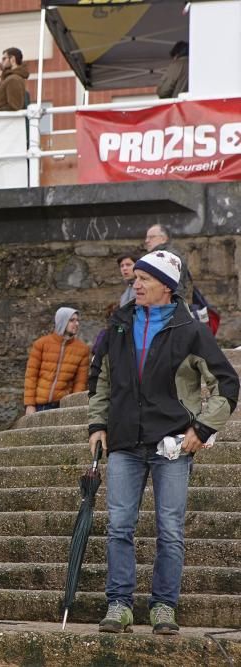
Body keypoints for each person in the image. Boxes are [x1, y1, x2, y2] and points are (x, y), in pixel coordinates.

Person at [89, 250, 238, 635]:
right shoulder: (119, 323)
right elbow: (102, 379)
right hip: (124, 442)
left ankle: (164, 607)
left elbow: (227, 385)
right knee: (119, 526)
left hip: (171, 444)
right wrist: (97, 425)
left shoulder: (190, 329)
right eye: (134, 277)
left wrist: (202, 430)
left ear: (166, 287)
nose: (135, 284)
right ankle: (119, 604)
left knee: (169, 530)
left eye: (144, 278)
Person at [23, 307, 90, 415]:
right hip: (39, 405)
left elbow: (80, 383)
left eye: (77, 320)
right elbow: (31, 376)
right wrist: (30, 405)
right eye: (72, 320)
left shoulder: (83, 349)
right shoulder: (41, 344)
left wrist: (74, 407)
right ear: (62, 321)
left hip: (62, 406)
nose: (76, 323)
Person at [144, 224, 190, 300]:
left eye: (151, 237)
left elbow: (176, 287)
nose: (146, 241)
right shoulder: (157, 256)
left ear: (163, 239)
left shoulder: (169, 257)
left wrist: (173, 307)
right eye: (146, 237)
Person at [0, 47, 29, 112]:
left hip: (5, 120)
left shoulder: (13, 79)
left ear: (12, 59)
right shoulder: (8, 78)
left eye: (4, 59)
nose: (2, 62)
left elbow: (14, 107)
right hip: (0, 120)